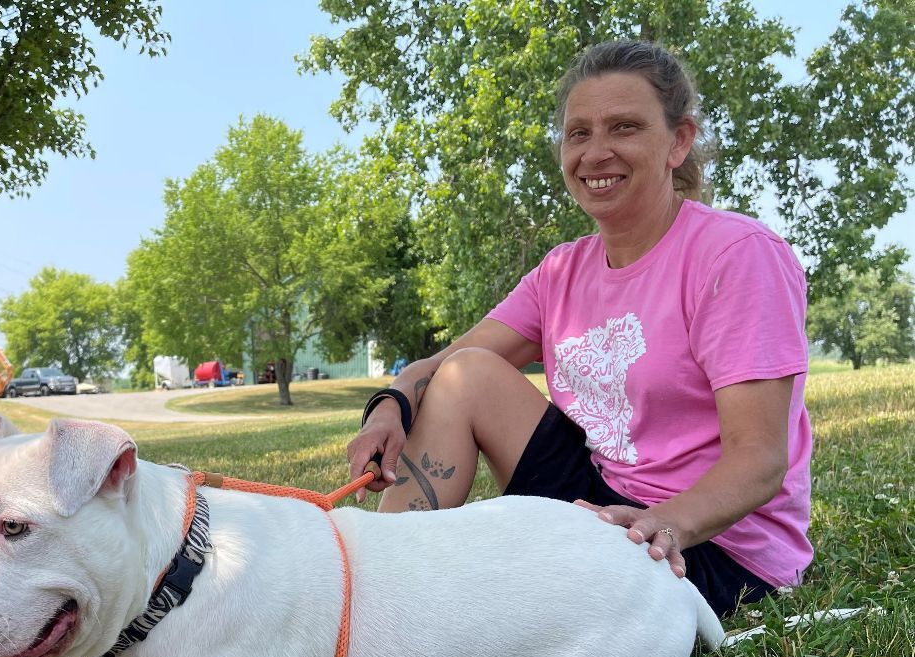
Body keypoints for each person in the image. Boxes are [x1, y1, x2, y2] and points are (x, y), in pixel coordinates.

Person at [347, 39, 812, 618]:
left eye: (624, 127)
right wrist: (388, 407)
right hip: (599, 505)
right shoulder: (561, 272)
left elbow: (760, 460)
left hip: (712, 545)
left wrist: (662, 523)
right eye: (579, 133)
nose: (596, 153)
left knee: (491, 601)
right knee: (467, 375)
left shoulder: (736, 255)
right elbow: (439, 370)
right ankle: (380, 587)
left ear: (678, 141)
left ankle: (405, 606)